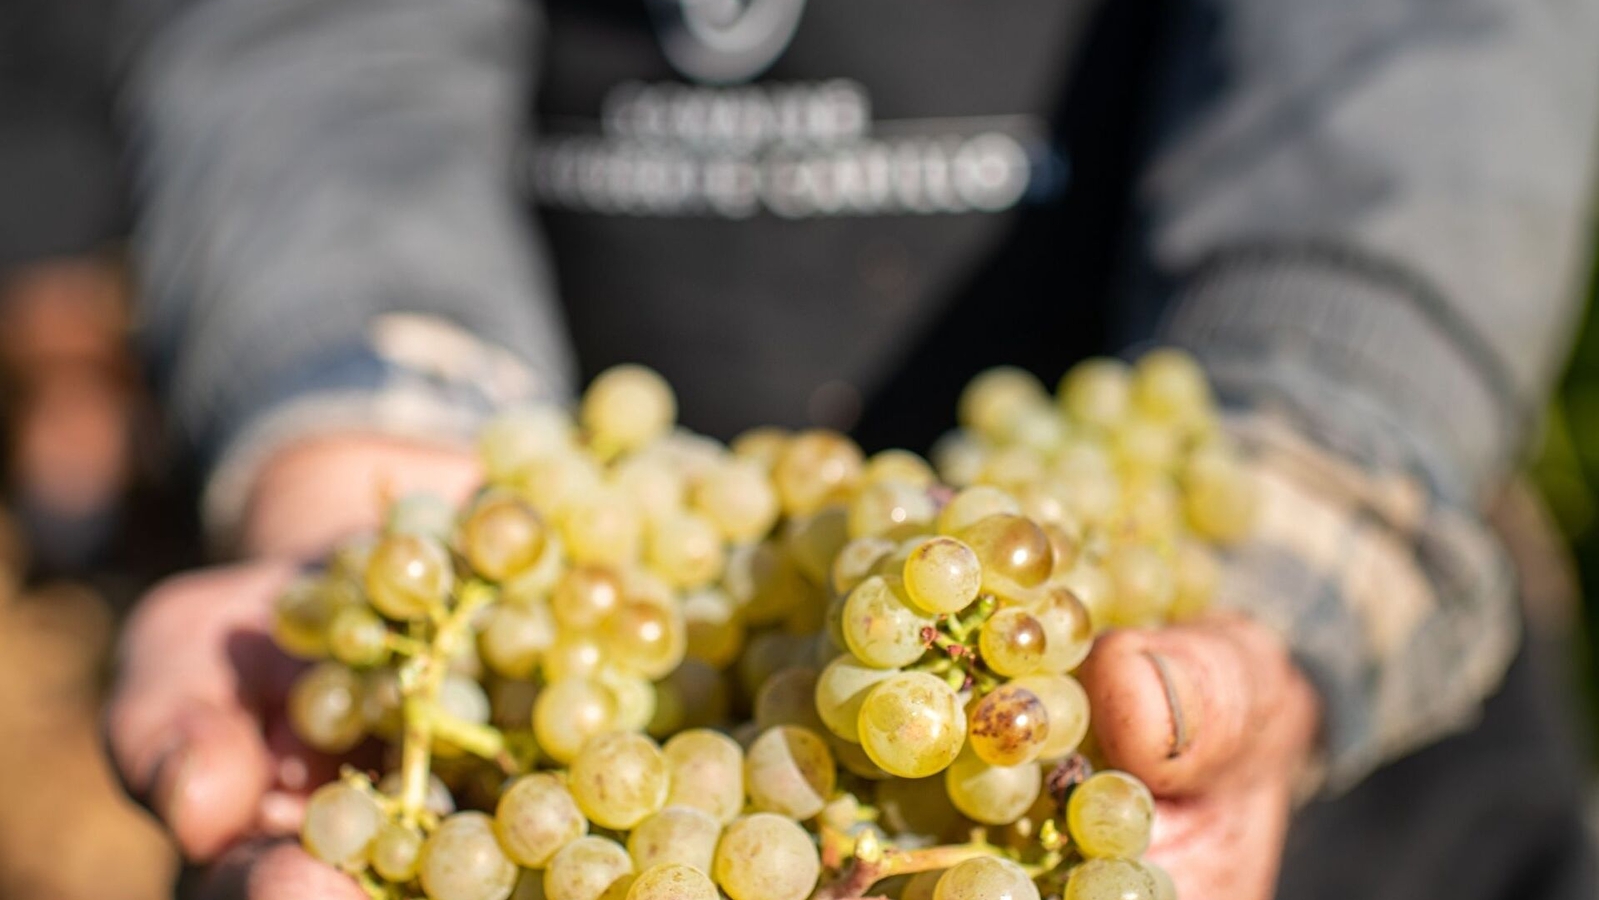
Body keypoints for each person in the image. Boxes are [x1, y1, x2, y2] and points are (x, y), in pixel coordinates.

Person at [104, 1, 1599, 898]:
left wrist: (1306, 482)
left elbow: (1425, 59)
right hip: (610, 538)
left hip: (1255, 722)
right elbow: (313, 44)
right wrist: (365, 437)